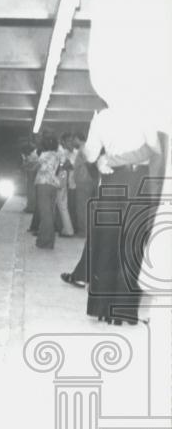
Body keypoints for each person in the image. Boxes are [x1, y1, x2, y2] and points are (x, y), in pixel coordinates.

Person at [77, 107, 161, 324]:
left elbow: (91, 154)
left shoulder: (101, 116)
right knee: (132, 244)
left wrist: (104, 161)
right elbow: (154, 148)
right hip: (137, 181)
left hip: (111, 180)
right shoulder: (144, 112)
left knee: (106, 242)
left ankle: (101, 308)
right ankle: (123, 311)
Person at [33, 132, 64, 250]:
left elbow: (41, 168)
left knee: (45, 214)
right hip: (53, 185)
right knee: (50, 212)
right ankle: (47, 241)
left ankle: (45, 241)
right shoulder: (57, 155)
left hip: (43, 184)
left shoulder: (44, 155)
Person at [69, 131, 95, 236]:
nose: (73, 142)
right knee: (86, 206)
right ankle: (86, 229)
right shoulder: (86, 148)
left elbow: (89, 162)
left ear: (77, 138)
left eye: (73, 139)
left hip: (83, 180)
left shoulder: (84, 149)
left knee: (81, 206)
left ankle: (83, 231)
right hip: (87, 180)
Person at [55, 133, 76, 237]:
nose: (70, 143)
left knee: (62, 204)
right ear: (63, 141)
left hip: (66, 179)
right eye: (68, 141)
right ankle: (65, 228)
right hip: (67, 179)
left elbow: (68, 165)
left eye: (71, 141)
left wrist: (61, 166)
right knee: (62, 204)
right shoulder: (65, 152)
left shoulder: (66, 152)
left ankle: (68, 230)